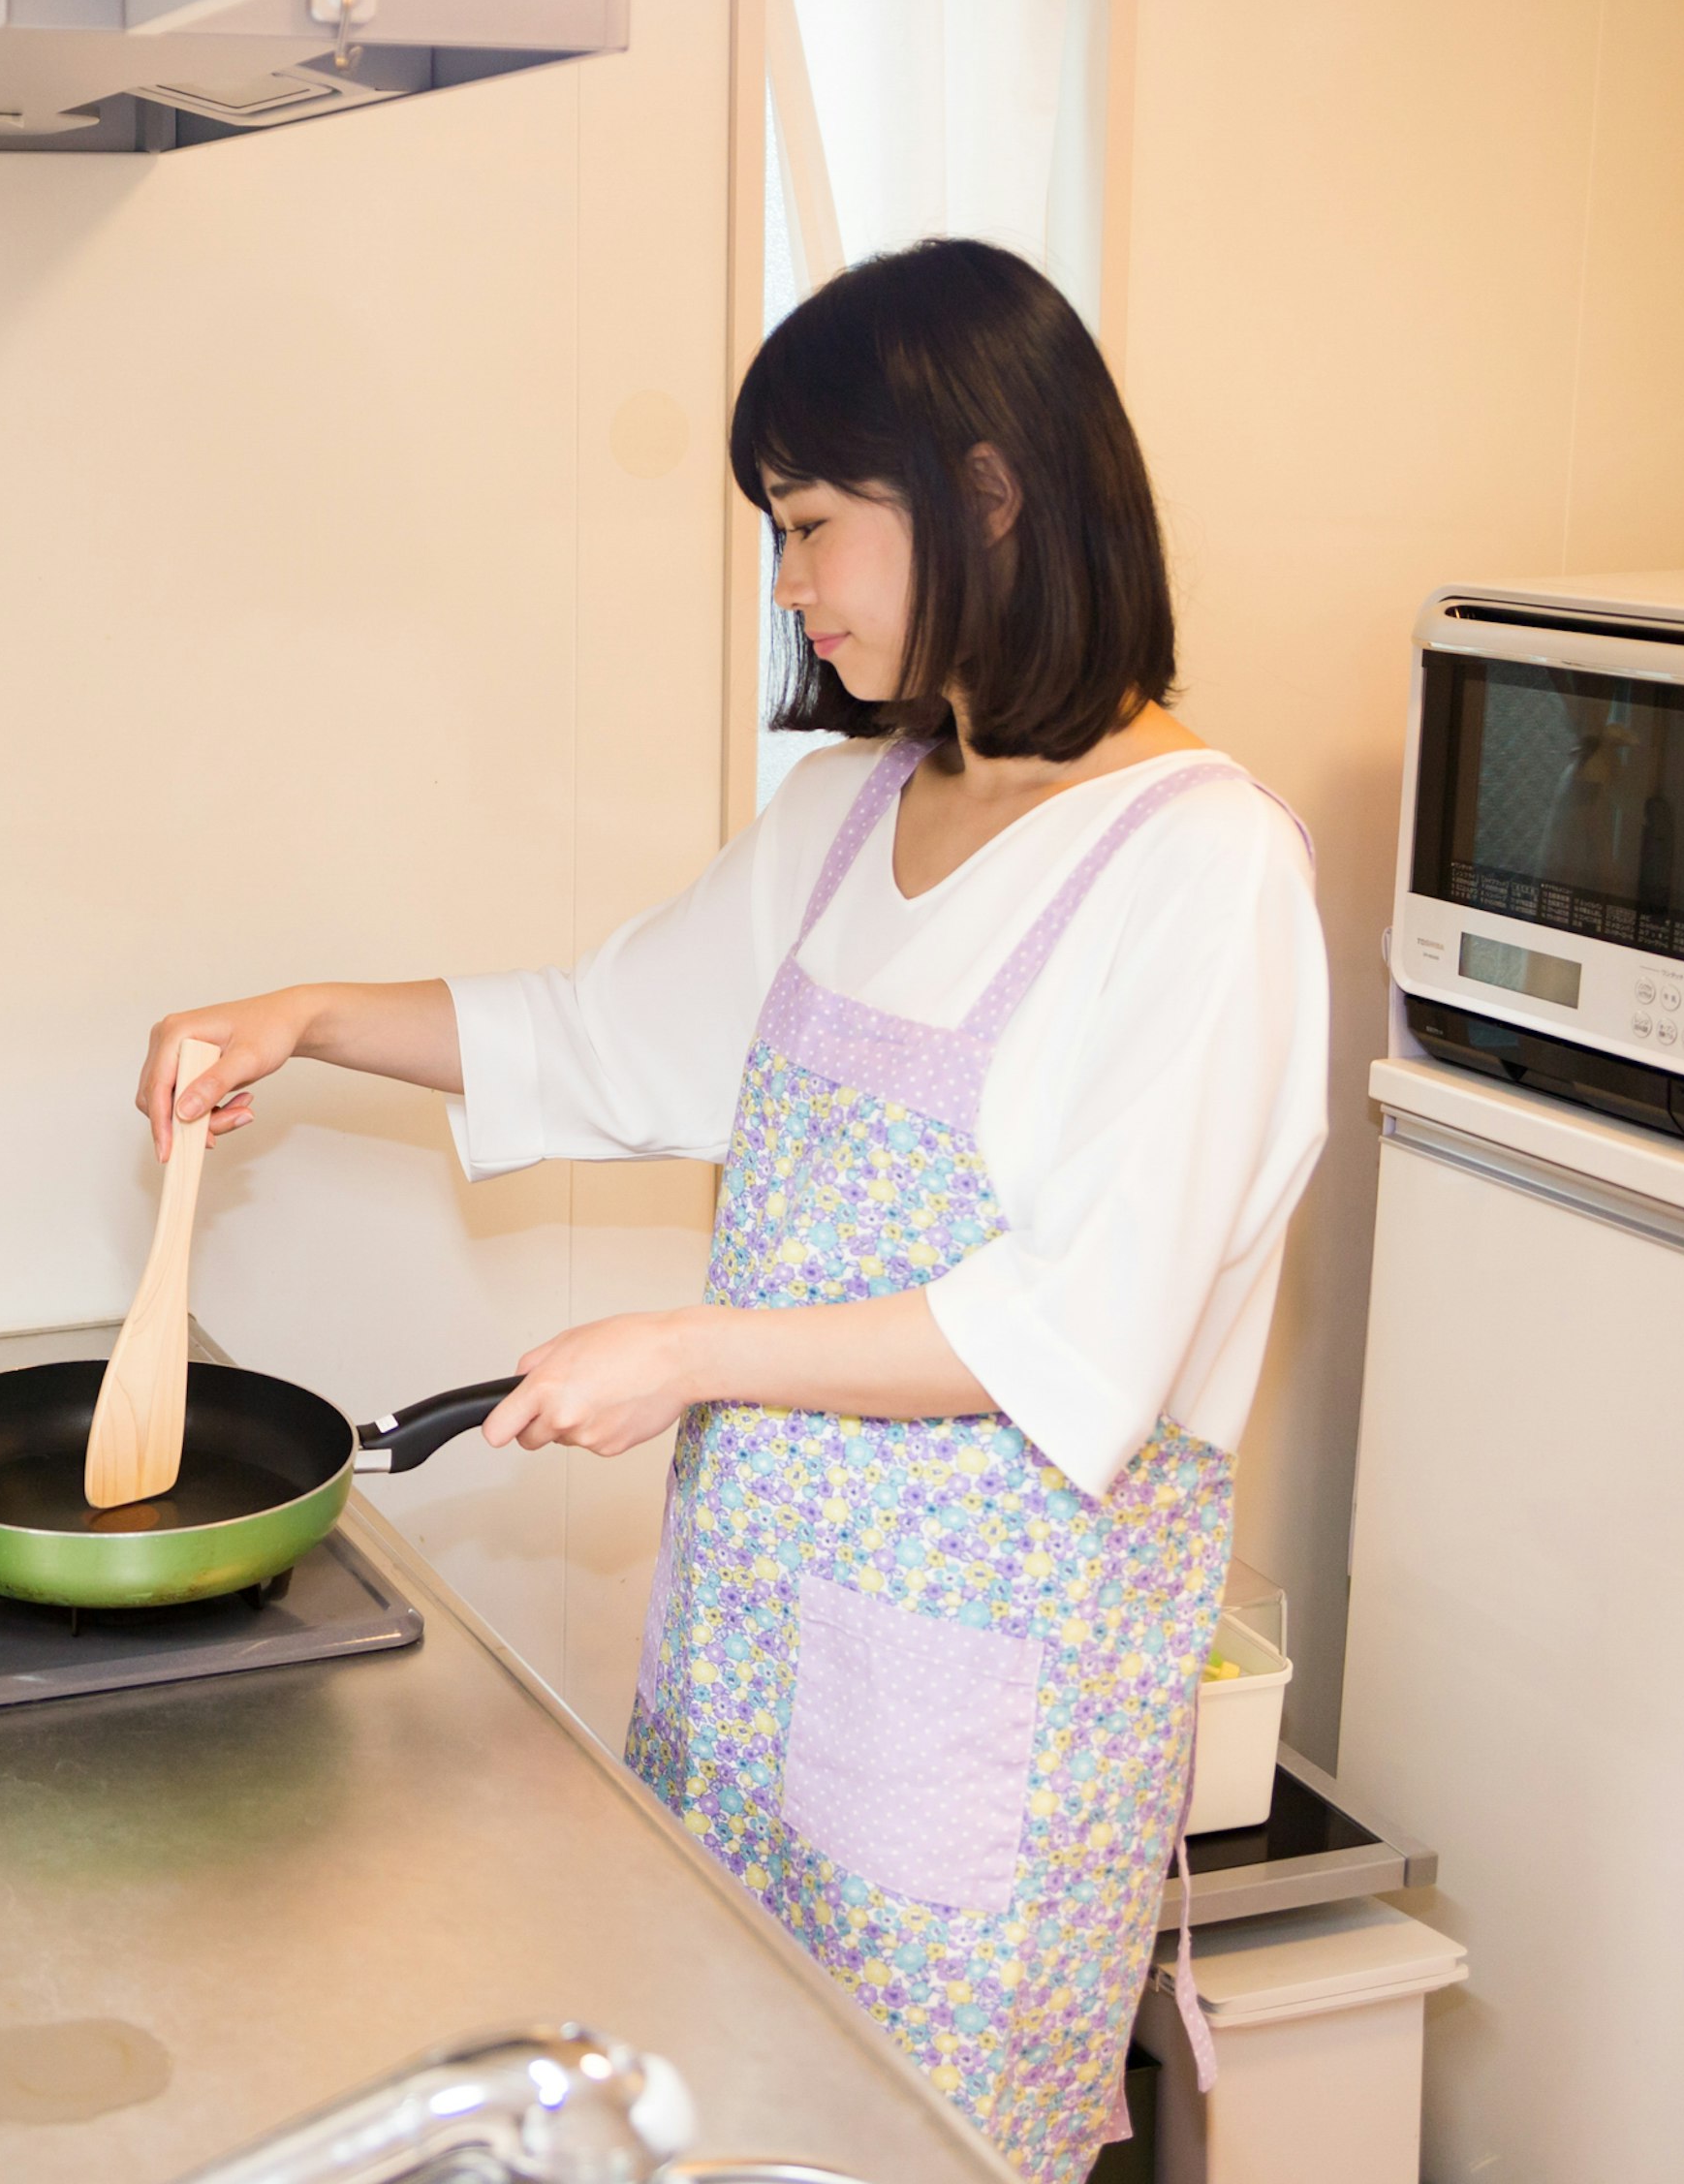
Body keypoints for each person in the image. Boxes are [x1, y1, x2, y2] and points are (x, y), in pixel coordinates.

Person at [135, 238, 1326, 2182]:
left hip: (978, 1758)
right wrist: (305, 1012)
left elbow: (1071, 1328)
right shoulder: (860, 812)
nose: (788, 582)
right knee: (729, 2117)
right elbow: (595, 1034)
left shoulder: (1202, 875)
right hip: (757, 1669)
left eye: (815, 522)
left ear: (992, 494)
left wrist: (686, 1350)